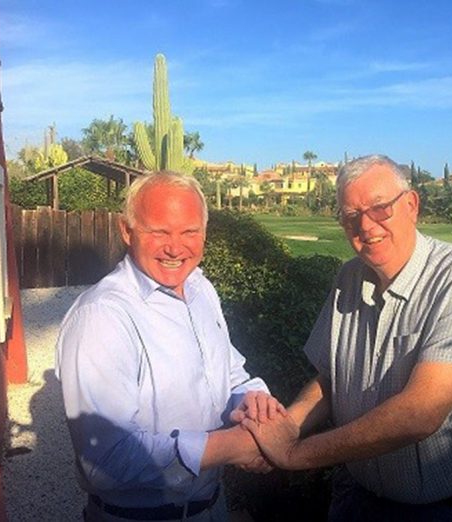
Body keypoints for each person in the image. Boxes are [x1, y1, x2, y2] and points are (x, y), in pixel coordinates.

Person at [242, 155, 452, 521]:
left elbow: (420, 412)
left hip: (451, 511)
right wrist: (287, 427)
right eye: (350, 216)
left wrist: (294, 454)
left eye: (379, 209)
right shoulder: (349, 278)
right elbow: (330, 379)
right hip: (357, 499)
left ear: (411, 205)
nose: (366, 225)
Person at [56, 171, 283, 521]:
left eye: (189, 231)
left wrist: (255, 406)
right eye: (158, 231)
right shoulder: (102, 316)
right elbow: (104, 462)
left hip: (212, 506)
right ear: (126, 231)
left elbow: (231, 373)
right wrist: (233, 446)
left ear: (204, 232)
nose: (175, 248)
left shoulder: (199, 288)